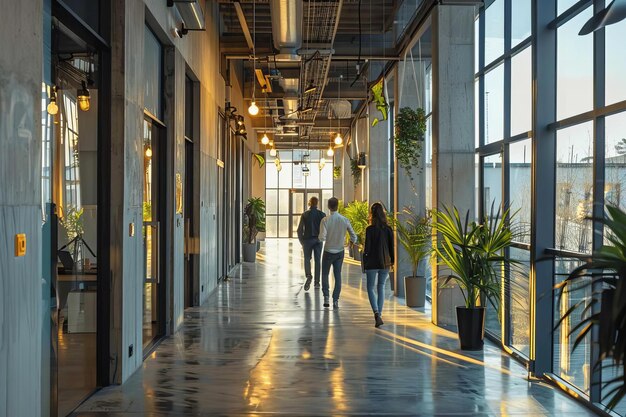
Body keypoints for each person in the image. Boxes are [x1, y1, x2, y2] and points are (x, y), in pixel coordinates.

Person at [319, 197, 357, 309]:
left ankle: (326, 297)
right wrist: (351, 242)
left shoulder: (325, 220)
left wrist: (324, 237)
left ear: (328, 207)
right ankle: (335, 300)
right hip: (340, 252)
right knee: (337, 276)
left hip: (328, 251)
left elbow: (322, 237)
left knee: (325, 274)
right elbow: (354, 236)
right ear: (337, 206)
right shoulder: (344, 220)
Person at [363, 202, 394, 327]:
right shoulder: (388, 229)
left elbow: (367, 248)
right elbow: (392, 247)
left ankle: (376, 313)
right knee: (380, 287)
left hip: (372, 262)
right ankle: (379, 314)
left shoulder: (369, 229)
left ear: (372, 214)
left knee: (370, 287)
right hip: (385, 262)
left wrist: (365, 262)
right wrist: (392, 261)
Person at [297, 196, 326, 291]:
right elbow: (325, 229)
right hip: (318, 240)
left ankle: (309, 276)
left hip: (307, 240)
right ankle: (317, 282)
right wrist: (322, 238)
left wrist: (302, 242)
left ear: (309, 203)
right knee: (318, 260)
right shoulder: (322, 214)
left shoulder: (305, 214)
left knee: (306, 259)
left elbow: (299, 230)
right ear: (317, 203)